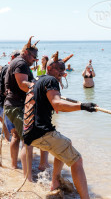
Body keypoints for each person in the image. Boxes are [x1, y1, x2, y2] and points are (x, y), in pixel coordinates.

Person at [23, 51, 97, 199]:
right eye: (59, 69)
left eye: (63, 70)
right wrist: (82, 106)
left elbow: (52, 104)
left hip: (29, 132)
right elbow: (57, 104)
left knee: (65, 143)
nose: (62, 73)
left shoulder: (38, 79)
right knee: (77, 160)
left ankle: (55, 182)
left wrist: (69, 105)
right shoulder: (51, 80)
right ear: (49, 68)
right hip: (41, 132)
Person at [4, 36, 40, 180]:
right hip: (16, 106)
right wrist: (39, 86)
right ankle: (28, 178)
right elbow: (22, 84)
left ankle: (14, 166)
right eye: (33, 57)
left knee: (17, 136)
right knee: (28, 140)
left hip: (12, 105)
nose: (34, 60)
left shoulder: (16, 61)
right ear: (26, 52)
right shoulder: (21, 63)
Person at [0, 50, 20, 167]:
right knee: (15, 134)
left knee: (18, 133)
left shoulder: (22, 69)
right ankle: (14, 165)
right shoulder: (7, 69)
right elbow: (5, 90)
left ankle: (18, 160)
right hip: (4, 103)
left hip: (14, 104)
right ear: (13, 58)